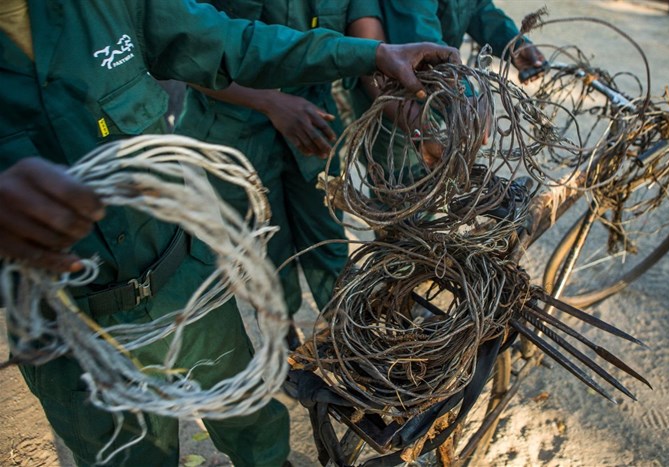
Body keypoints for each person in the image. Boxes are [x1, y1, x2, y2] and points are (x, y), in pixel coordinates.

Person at [0, 1, 459, 465]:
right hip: (67, 327)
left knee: (253, 425)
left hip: (182, 286)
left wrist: (374, 54)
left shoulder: (109, 7)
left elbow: (232, 42)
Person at [176, 0, 385, 349]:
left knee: (327, 234)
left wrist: (390, 80)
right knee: (263, 249)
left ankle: (351, 334)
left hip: (314, 122)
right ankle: (284, 339)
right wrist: (271, 103)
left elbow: (364, 31)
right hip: (233, 129)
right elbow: (187, 55)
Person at [344, 0, 546, 170]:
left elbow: (477, 8)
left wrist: (515, 44)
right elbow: (419, 33)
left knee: (439, 175)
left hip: (443, 90)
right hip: (394, 101)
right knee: (404, 186)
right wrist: (464, 95)